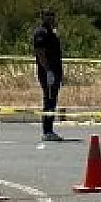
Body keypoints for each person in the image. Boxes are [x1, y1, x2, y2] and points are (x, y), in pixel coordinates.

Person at [31, 9, 65, 141]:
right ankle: (47, 131)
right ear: (42, 17)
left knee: (53, 100)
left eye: (52, 15)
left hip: (55, 70)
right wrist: (48, 70)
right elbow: (40, 52)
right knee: (49, 100)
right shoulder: (41, 32)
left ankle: (49, 129)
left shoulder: (52, 32)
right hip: (47, 71)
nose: (51, 17)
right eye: (48, 15)